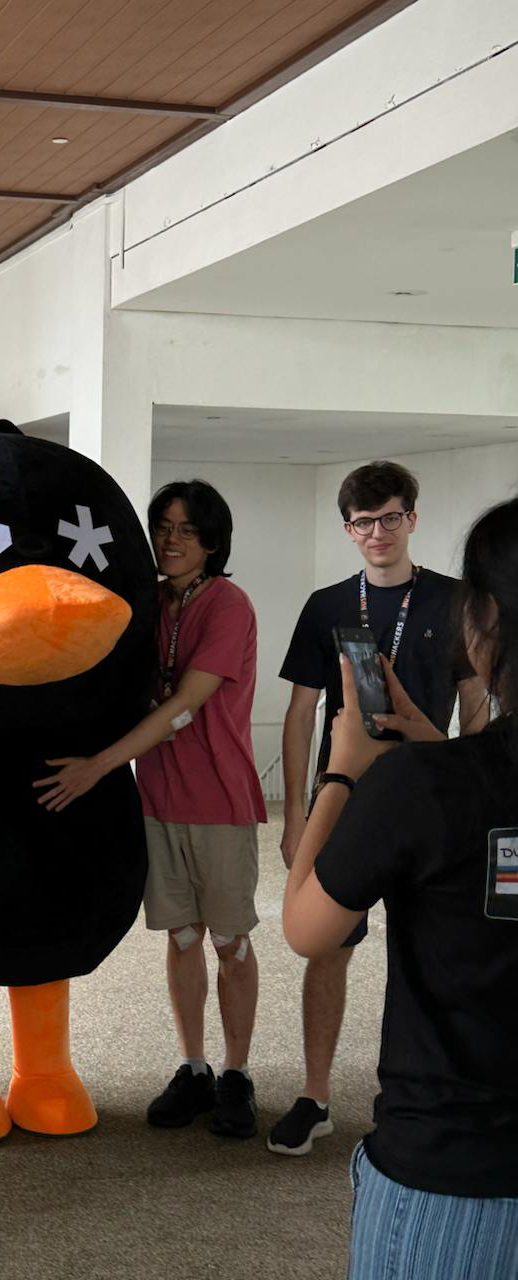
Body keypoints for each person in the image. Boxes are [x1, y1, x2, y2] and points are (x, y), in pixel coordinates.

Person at [283, 496, 518, 1280]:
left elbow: (306, 927)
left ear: (482, 625)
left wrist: (346, 769)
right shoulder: (437, 774)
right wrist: (430, 738)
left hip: (454, 1170)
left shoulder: (423, 788)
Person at [270, 460, 487, 1157]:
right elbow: (301, 714)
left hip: (435, 797)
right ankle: (315, 1095)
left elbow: (477, 707)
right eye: (364, 522)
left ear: (412, 520)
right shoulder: (327, 605)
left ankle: (429, 1089)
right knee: (328, 943)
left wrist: (476, 785)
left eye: (390, 517)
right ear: (348, 530)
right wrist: (298, 818)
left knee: (434, 950)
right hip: (351, 796)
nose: (378, 533)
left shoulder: (455, 601)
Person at [36, 480, 265, 1138]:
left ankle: (237, 1074)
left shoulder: (229, 605)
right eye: (163, 526)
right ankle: (192, 1068)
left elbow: (185, 705)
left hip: (220, 802)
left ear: (213, 541)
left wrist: (99, 766)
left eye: (186, 530)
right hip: (159, 797)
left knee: (229, 940)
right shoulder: (150, 602)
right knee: (183, 936)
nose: (170, 539)